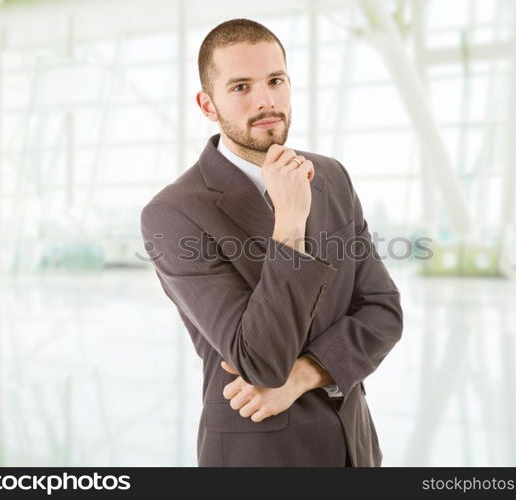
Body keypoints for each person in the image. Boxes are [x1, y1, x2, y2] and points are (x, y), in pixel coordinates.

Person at [140, 18, 403, 467]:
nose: (266, 101)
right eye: (240, 87)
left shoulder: (331, 177)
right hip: (258, 454)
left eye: (275, 81)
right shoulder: (174, 214)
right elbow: (259, 360)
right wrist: (290, 222)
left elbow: (383, 312)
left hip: (354, 449)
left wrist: (305, 375)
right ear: (208, 104)